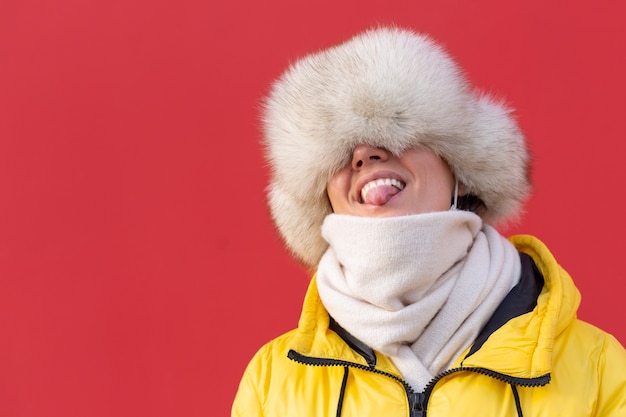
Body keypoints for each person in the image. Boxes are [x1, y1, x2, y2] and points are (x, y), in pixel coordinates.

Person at [231, 26, 626, 416]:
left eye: (397, 125)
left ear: (457, 165)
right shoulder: (272, 382)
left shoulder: (598, 367)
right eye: (336, 154)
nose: (365, 155)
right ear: (325, 200)